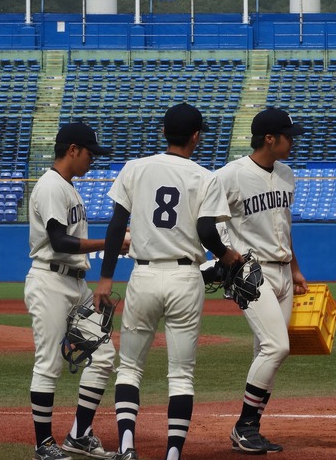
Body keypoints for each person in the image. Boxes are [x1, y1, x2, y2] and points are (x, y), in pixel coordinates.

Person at [93, 103, 242, 460]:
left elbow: (116, 226)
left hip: (142, 274)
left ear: (163, 132)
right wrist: (227, 255)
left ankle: (127, 445)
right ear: (196, 137)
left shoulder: (135, 168)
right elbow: (207, 231)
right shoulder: (204, 177)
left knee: (129, 367)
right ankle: (173, 453)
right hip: (184, 277)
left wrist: (105, 279)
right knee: (181, 374)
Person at [25, 122, 124, 460]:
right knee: (49, 362)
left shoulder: (68, 186)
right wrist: (109, 243)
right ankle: (43, 444)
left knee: (105, 354)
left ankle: (79, 435)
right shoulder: (52, 185)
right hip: (50, 282)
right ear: (72, 150)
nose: (92, 160)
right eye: (90, 153)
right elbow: (59, 240)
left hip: (74, 283)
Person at [214, 107, 309, 455]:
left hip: (283, 271)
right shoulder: (231, 175)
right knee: (277, 346)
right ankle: (244, 426)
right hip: (251, 272)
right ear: (270, 138)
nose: (292, 140)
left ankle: (250, 428)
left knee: (266, 351)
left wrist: (295, 268)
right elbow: (208, 220)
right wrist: (223, 260)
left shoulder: (286, 174)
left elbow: (283, 225)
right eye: (288, 135)